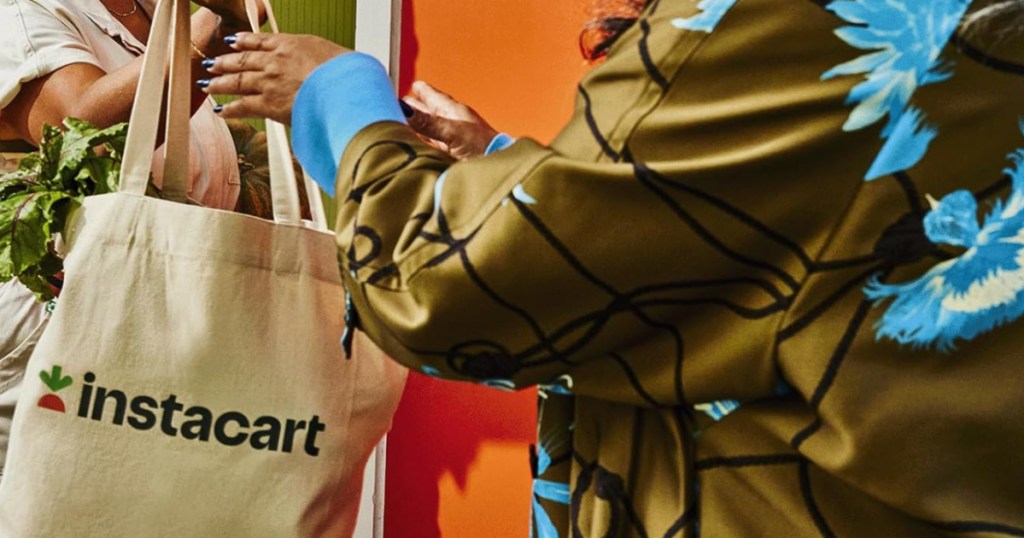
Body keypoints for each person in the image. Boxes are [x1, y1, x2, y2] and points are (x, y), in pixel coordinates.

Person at [202, 0, 1024, 534]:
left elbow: (444, 293)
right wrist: (501, 165)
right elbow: (742, 246)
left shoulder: (787, 21)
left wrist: (340, 97)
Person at [0, 0, 255, 478]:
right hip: (60, 327)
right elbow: (81, 135)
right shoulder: (20, 12)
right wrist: (210, 25)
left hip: (161, 325)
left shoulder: (155, 9)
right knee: (52, 501)